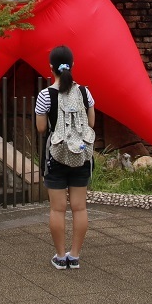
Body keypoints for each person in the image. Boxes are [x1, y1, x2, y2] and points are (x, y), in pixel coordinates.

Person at [35, 45, 95, 270]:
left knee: (57, 209)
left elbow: (42, 128)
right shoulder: (84, 92)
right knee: (79, 208)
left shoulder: (45, 95)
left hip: (56, 156)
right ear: (72, 65)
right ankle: (75, 255)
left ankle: (60, 256)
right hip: (81, 155)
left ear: (51, 67)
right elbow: (91, 124)